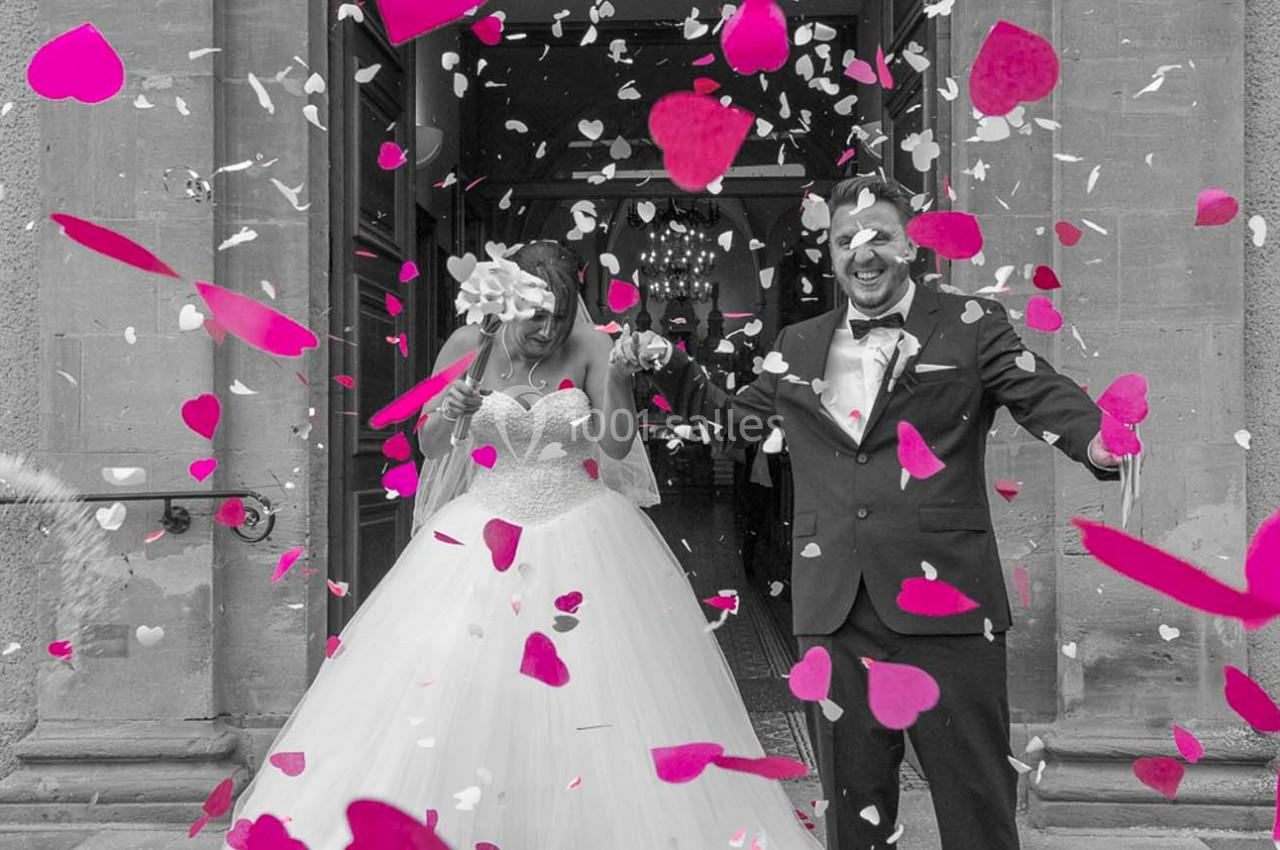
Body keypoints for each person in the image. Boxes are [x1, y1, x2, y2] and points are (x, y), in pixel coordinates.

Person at [223, 241, 825, 850]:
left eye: (560, 315)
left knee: (602, 688)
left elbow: (616, 445)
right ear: (505, 303)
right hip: (482, 534)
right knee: (456, 681)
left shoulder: (591, 347)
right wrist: (449, 411)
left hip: (585, 533)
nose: (548, 329)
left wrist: (620, 378)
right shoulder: (469, 345)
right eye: (536, 314)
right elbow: (430, 444)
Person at [614, 175, 1123, 850]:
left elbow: (1039, 391)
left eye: (879, 235)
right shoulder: (799, 343)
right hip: (835, 610)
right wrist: (669, 363)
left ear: (911, 244)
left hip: (947, 602)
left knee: (975, 805)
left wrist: (1096, 439)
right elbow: (736, 422)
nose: (862, 251)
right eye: (844, 239)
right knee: (854, 815)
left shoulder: (970, 325)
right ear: (830, 253)